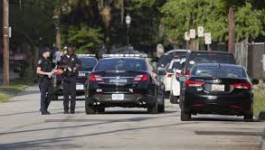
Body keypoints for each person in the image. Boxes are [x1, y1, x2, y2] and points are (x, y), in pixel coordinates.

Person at [59, 46, 81, 114]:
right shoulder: (63, 57)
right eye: (69, 50)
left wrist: (75, 67)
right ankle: (65, 109)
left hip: (73, 77)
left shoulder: (75, 57)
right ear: (67, 51)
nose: (71, 51)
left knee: (73, 94)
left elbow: (79, 64)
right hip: (65, 78)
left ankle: (72, 109)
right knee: (65, 94)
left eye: (72, 50)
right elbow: (59, 65)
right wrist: (65, 67)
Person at [36, 48, 54, 115]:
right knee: (43, 95)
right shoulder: (41, 60)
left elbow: (49, 70)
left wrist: (52, 72)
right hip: (43, 80)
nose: (49, 53)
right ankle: (43, 111)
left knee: (51, 93)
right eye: (48, 52)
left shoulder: (48, 60)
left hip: (49, 80)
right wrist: (47, 74)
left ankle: (43, 108)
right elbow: (38, 71)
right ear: (44, 53)